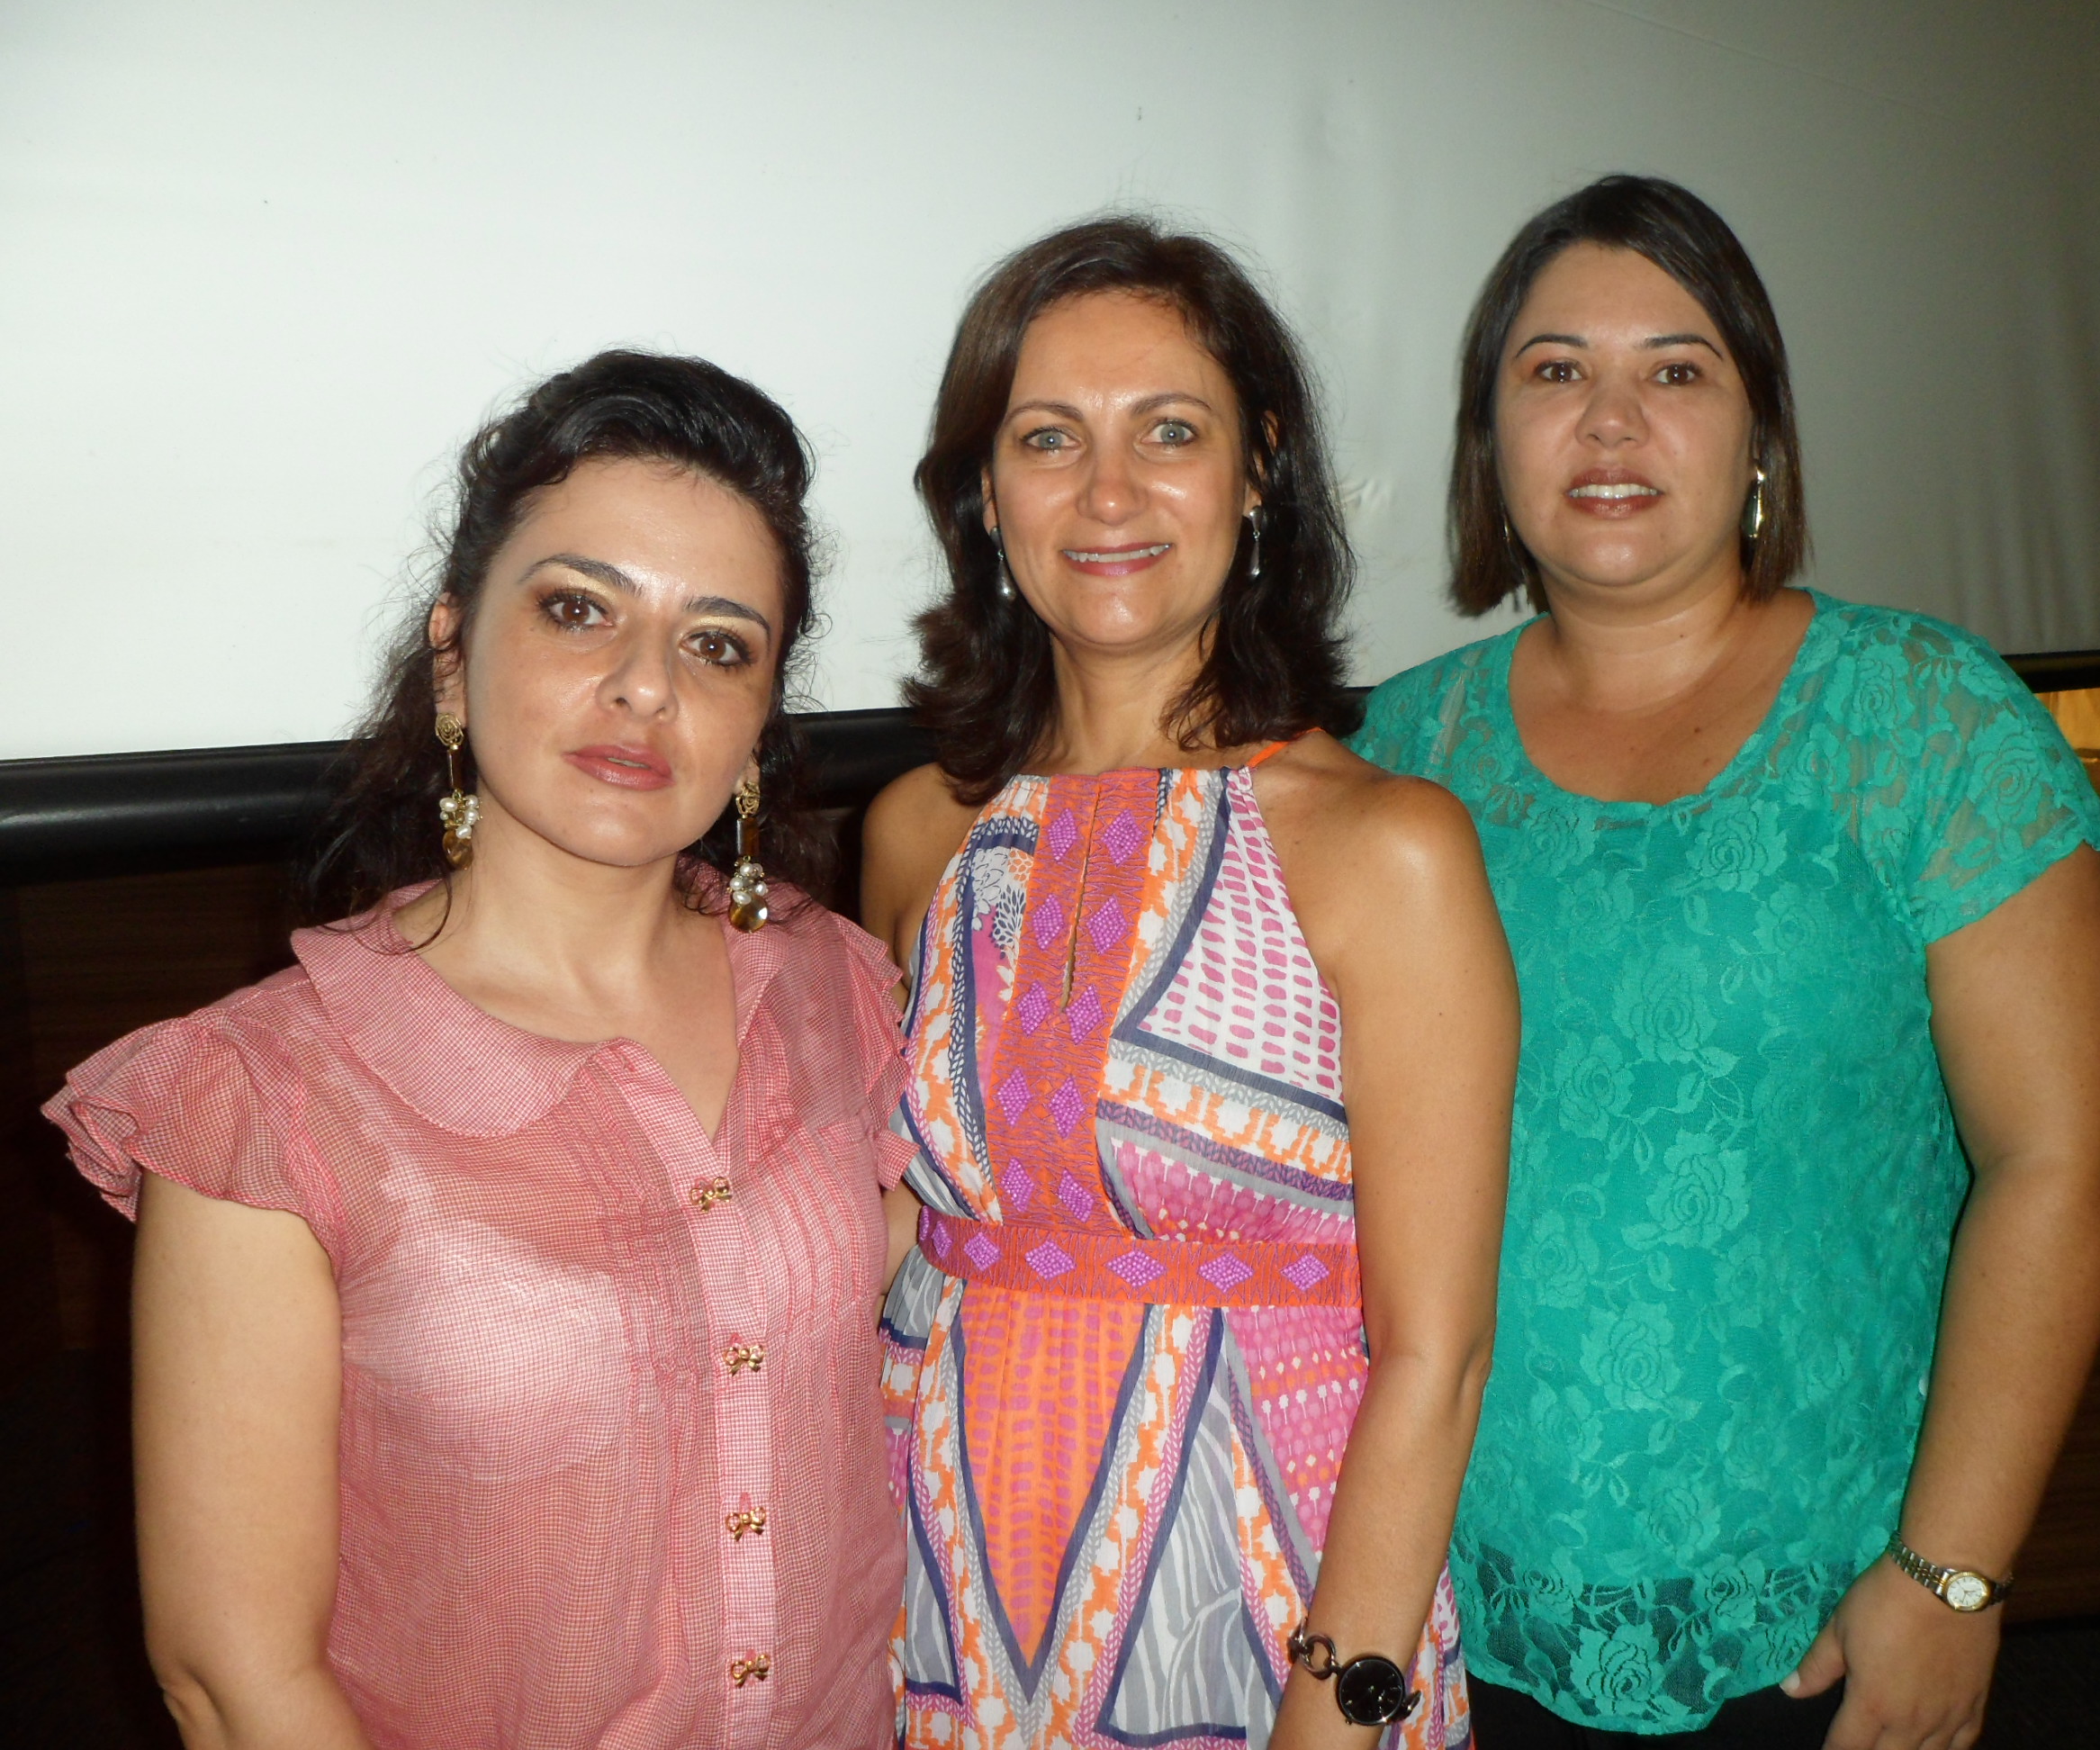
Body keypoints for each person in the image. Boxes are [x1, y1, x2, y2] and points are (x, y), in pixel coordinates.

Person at [1350, 176, 2100, 1750]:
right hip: (1437, 1602)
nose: (1611, 421)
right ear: (1489, 445)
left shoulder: (1924, 717)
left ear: (1762, 434)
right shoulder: (1396, 748)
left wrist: (1953, 1575)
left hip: (1821, 1631)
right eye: (1555, 371)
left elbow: (2066, 1158)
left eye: (1678, 369)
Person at [45, 352, 911, 1750]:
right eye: (579, 610)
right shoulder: (265, 1094)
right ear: (453, 657)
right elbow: (235, 1679)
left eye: (717, 645)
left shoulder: (836, 985)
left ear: (759, 722)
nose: (645, 688)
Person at [861, 217, 1519, 1750]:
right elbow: (892, 1233)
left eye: (1170, 431)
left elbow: (1437, 1358)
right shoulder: (914, 836)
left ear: (1259, 470)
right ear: (985, 493)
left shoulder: (1387, 850)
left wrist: (1341, 1714)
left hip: (1277, 1616)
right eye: (1048, 438)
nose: (1109, 493)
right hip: (938, 1598)